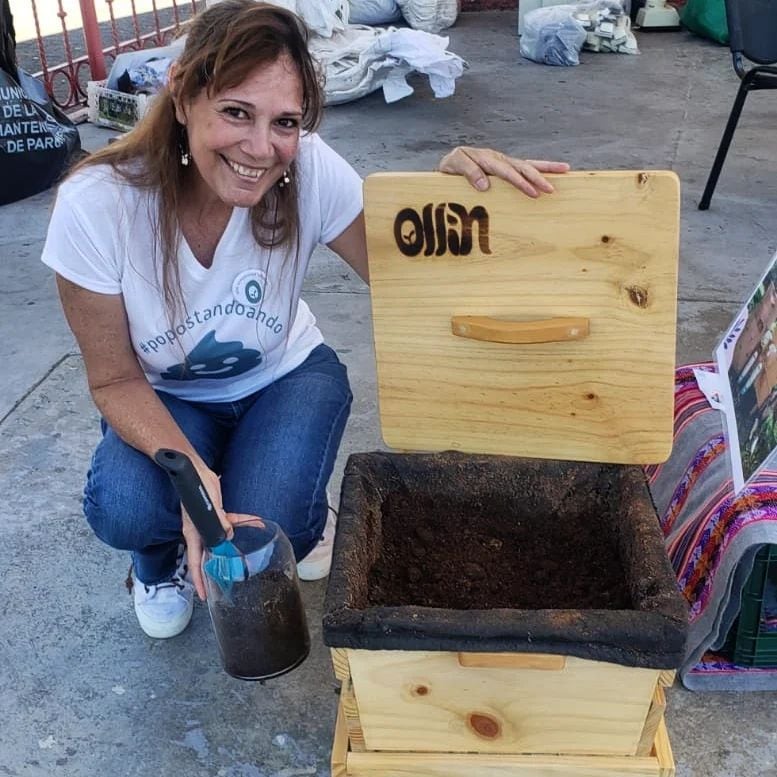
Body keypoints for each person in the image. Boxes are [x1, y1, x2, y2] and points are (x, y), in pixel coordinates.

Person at [41, 0, 569, 640]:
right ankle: (157, 560)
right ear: (181, 94)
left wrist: (446, 199)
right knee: (128, 506)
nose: (261, 149)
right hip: (163, 394)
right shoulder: (96, 205)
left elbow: (412, 276)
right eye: (236, 112)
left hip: (285, 375)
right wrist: (192, 471)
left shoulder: (310, 167)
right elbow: (114, 381)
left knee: (275, 522)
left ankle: (282, 495)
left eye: (285, 122)